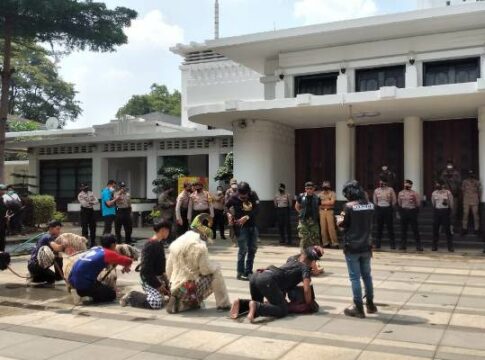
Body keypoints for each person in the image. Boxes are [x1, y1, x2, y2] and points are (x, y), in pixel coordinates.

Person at [230, 246, 322, 322]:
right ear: (313, 261)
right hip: (267, 280)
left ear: (303, 253)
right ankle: (256, 307)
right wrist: (309, 304)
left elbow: (284, 276)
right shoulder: (305, 268)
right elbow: (306, 290)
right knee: (283, 310)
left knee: (260, 305)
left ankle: (241, 303)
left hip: (256, 276)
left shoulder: (292, 258)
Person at [166, 213, 231, 313]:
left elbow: (168, 269)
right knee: (216, 272)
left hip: (175, 285)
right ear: (204, 236)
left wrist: (172, 283)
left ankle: (182, 303)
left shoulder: (176, 243)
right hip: (190, 285)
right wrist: (215, 266)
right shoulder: (200, 247)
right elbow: (205, 270)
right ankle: (224, 304)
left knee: (190, 280)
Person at [337, 180, 377, 319]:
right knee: (367, 275)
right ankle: (370, 304)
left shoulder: (348, 206)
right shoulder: (370, 205)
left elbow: (342, 224)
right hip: (366, 245)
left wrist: (338, 221)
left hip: (352, 246)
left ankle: (358, 308)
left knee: (355, 278)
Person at [68, 234, 133, 304]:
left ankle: (79, 291)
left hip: (72, 280)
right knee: (112, 295)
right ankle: (85, 295)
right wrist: (126, 266)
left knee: (101, 286)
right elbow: (128, 260)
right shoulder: (108, 253)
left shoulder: (96, 249)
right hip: (83, 284)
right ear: (113, 245)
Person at [120, 221, 172, 309]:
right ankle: (131, 296)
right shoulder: (150, 245)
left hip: (158, 278)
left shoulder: (159, 244)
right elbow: (146, 270)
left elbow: (161, 268)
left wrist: (166, 285)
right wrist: (158, 285)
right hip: (148, 278)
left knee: (171, 296)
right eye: (168, 230)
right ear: (163, 230)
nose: (169, 232)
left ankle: (157, 295)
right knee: (156, 303)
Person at [225, 182, 260, 281]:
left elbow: (257, 209)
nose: (243, 198)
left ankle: (248, 271)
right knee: (243, 250)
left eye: (245, 196)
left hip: (252, 226)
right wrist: (228, 214)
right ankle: (240, 273)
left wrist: (247, 216)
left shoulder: (253, 195)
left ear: (248, 192)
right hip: (240, 228)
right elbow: (225, 206)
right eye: (241, 196)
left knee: (252, 249)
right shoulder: (233, 197)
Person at [27, 220, 65, 286]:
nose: (59, 231)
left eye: (60, 229)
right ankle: (58, 279)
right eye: (57, 229)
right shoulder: (48, 237)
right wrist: (68, 244)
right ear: (51, 229)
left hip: (33, 265)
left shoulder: (45, 236)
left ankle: (35, 277)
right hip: (36, 266)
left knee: (58, 255)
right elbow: (57, 248)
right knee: (52, 277)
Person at [397, 180, 422, 251]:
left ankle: (418, 245)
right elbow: (399, 203)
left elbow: (418, 203)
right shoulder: (400, 193)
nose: (406, 186)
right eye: (405, 184)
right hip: (404, 211)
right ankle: (403, 245)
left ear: (411, 185)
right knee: (403, 229)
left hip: (412, 211)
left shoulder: (415, 193)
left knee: (415, 229)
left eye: (408, 185)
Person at [295, 182, 321, 250]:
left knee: (315, 237)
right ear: (305, 189)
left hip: (313, 220)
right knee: (304, 237)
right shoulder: (301, 196)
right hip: (303, 220)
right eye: (307, 189)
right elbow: (297, 206)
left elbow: (319, 208)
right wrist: (301, 213)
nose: (309, 190)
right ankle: (304, 253)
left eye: (310, 188)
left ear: (313, 189)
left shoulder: (317, 197)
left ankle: (315, 253)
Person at [373, 179, 397, 249]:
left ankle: (392, 244)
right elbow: (375, 200)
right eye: (380, 181)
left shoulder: (390, 189)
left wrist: (391, 207)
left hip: (388, 209)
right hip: (379, 209)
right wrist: (377, 206)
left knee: (390, 227)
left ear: (386, 182)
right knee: (379, 227)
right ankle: (378, 244)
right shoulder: (376, 190)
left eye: (383, 182)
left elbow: (394, 199)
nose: (381, 183)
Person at [431, 180, 454, 252]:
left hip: (445, 212)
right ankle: (434, 246)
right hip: (437, 212)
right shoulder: (434, 193)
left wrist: (450, 211)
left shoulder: (448, 193)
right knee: (435, 230)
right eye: (437, 184)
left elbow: (451, 203)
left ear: (443, 185)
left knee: (447, 230)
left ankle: (450, 247)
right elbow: (433, 203)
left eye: (438, 184)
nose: (437, 186)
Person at [440, 160, 461, 230]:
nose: (449, 166)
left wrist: (452, 178)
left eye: (450, 165)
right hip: (445, 196)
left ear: (452, 165)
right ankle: (444, 226)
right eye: (448, 165)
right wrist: (445, 177)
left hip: (454, 195)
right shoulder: (444, 173)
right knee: (444, 212)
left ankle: (452, 227)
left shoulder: (456, 173)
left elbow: (459, 182)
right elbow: (441, 182)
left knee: (453, 212)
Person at [318, 181, 338, 248]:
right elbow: (318, 203)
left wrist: (322, 202)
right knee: (323, 228)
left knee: (331, 228)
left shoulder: (332, 193)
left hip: (330, 211)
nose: (325, 187)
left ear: (329, 186)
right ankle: (325, 243)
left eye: (327, 185)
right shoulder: (320, 194)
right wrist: (327, 201)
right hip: (322, 212)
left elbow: (332, 202)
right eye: (324, 186)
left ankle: (334, 243)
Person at [461, 170, 481, 235]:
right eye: (470, 174)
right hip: (466, 201)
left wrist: (478, 199)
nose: (471, 176)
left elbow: (479, 191)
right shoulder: (464, 182)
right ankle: (464, 229)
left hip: (475, 201)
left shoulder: (477, 182)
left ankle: (477, 229)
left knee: (476, 215)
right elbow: (462, 190)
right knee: (465, 214)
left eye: (472, 174)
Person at [0, 184, 7, 252]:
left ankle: (2, 255)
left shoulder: (2, 199)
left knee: (2, 240)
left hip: (2, 223)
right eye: (2, 190)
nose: (3, 191)